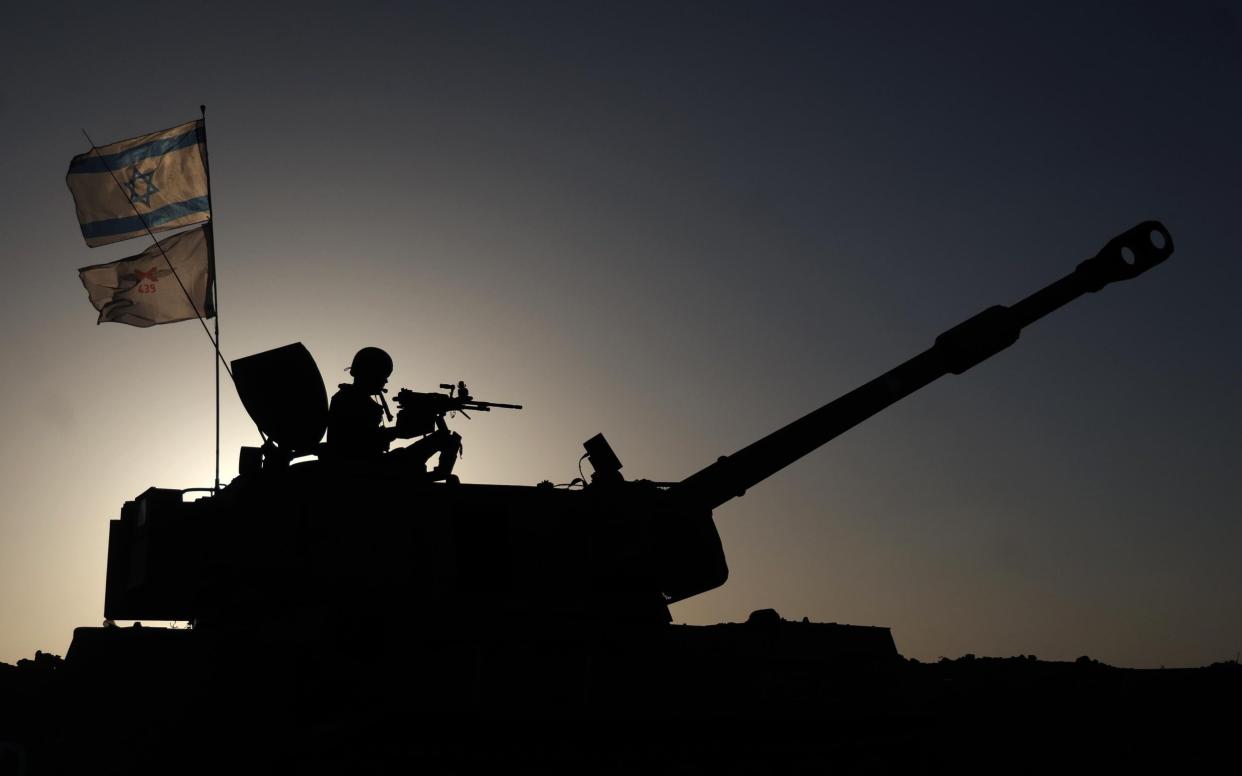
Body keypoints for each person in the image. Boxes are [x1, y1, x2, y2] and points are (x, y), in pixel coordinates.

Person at [326, 346, 462, 482]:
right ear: (370, 373)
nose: (385, 381)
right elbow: (357, 441)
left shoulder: (352, 398)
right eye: (382, 376)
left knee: (444, 439)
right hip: (361, 469)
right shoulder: (348, 399)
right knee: (444, 440)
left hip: (369, 465)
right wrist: (398, 431)